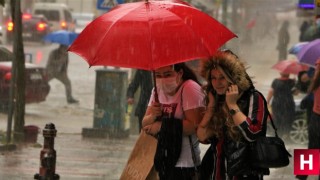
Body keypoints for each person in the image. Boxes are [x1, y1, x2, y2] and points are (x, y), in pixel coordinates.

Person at [197, 50, 269, 179]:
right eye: (213, 78)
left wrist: (232, 105)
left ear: (233, 78)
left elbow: (253, 134)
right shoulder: (216, 99)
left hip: (245, 172)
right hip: (217, 170)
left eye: (222, 77)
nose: (217, 83)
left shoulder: (253, 97)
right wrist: (211, 108)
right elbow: (203, 137)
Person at [142, 63, 205, 180]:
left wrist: (162, 126)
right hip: (163, 161)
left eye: (167, 74)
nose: (162, 79)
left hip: (185, 165)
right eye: (158, 75)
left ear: (180, 73)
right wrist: (152, 116)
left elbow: (193, 125)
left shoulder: (189, 88)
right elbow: (145, 124)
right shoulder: (156, 90)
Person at [296, 60, 320, 180]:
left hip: (316, 116)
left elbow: (306, 84)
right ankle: (302, 173)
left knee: (312, 146)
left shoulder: (315, 84)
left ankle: (302, 174)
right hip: (316, 115)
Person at [266, 72, 295, 138]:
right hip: (288, 103)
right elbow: (295, 92)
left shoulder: (276, 81)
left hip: (277, 103)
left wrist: (267, 101)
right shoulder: (291, 82)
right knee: (287, 119)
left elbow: (271, 91)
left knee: (277, 119)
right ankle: (286, 135)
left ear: (280, 73)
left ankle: (278, 134)